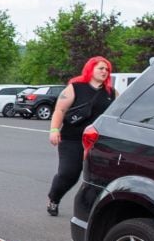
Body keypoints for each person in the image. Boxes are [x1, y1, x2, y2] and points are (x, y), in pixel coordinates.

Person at [46, 56, 116, 216]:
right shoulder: (75, 87)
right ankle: (53, 198)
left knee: (98, 179)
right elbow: (60, 110)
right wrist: (54, 130)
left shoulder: (112, 93)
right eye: (101, 68)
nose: (104, 72)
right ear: (90, 69)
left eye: (107, 69)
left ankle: (92, 212)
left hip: (98, 143)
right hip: (73, 139)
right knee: (69, 173)